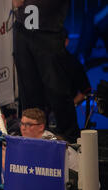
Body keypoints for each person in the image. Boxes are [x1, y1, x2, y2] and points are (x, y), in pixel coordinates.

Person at [12, 0, 80, 143]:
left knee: (56, 88)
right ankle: (31, 137)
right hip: (24, 29)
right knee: (28, 88)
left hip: (48, 31)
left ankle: (70, 139)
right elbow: (17, 2)